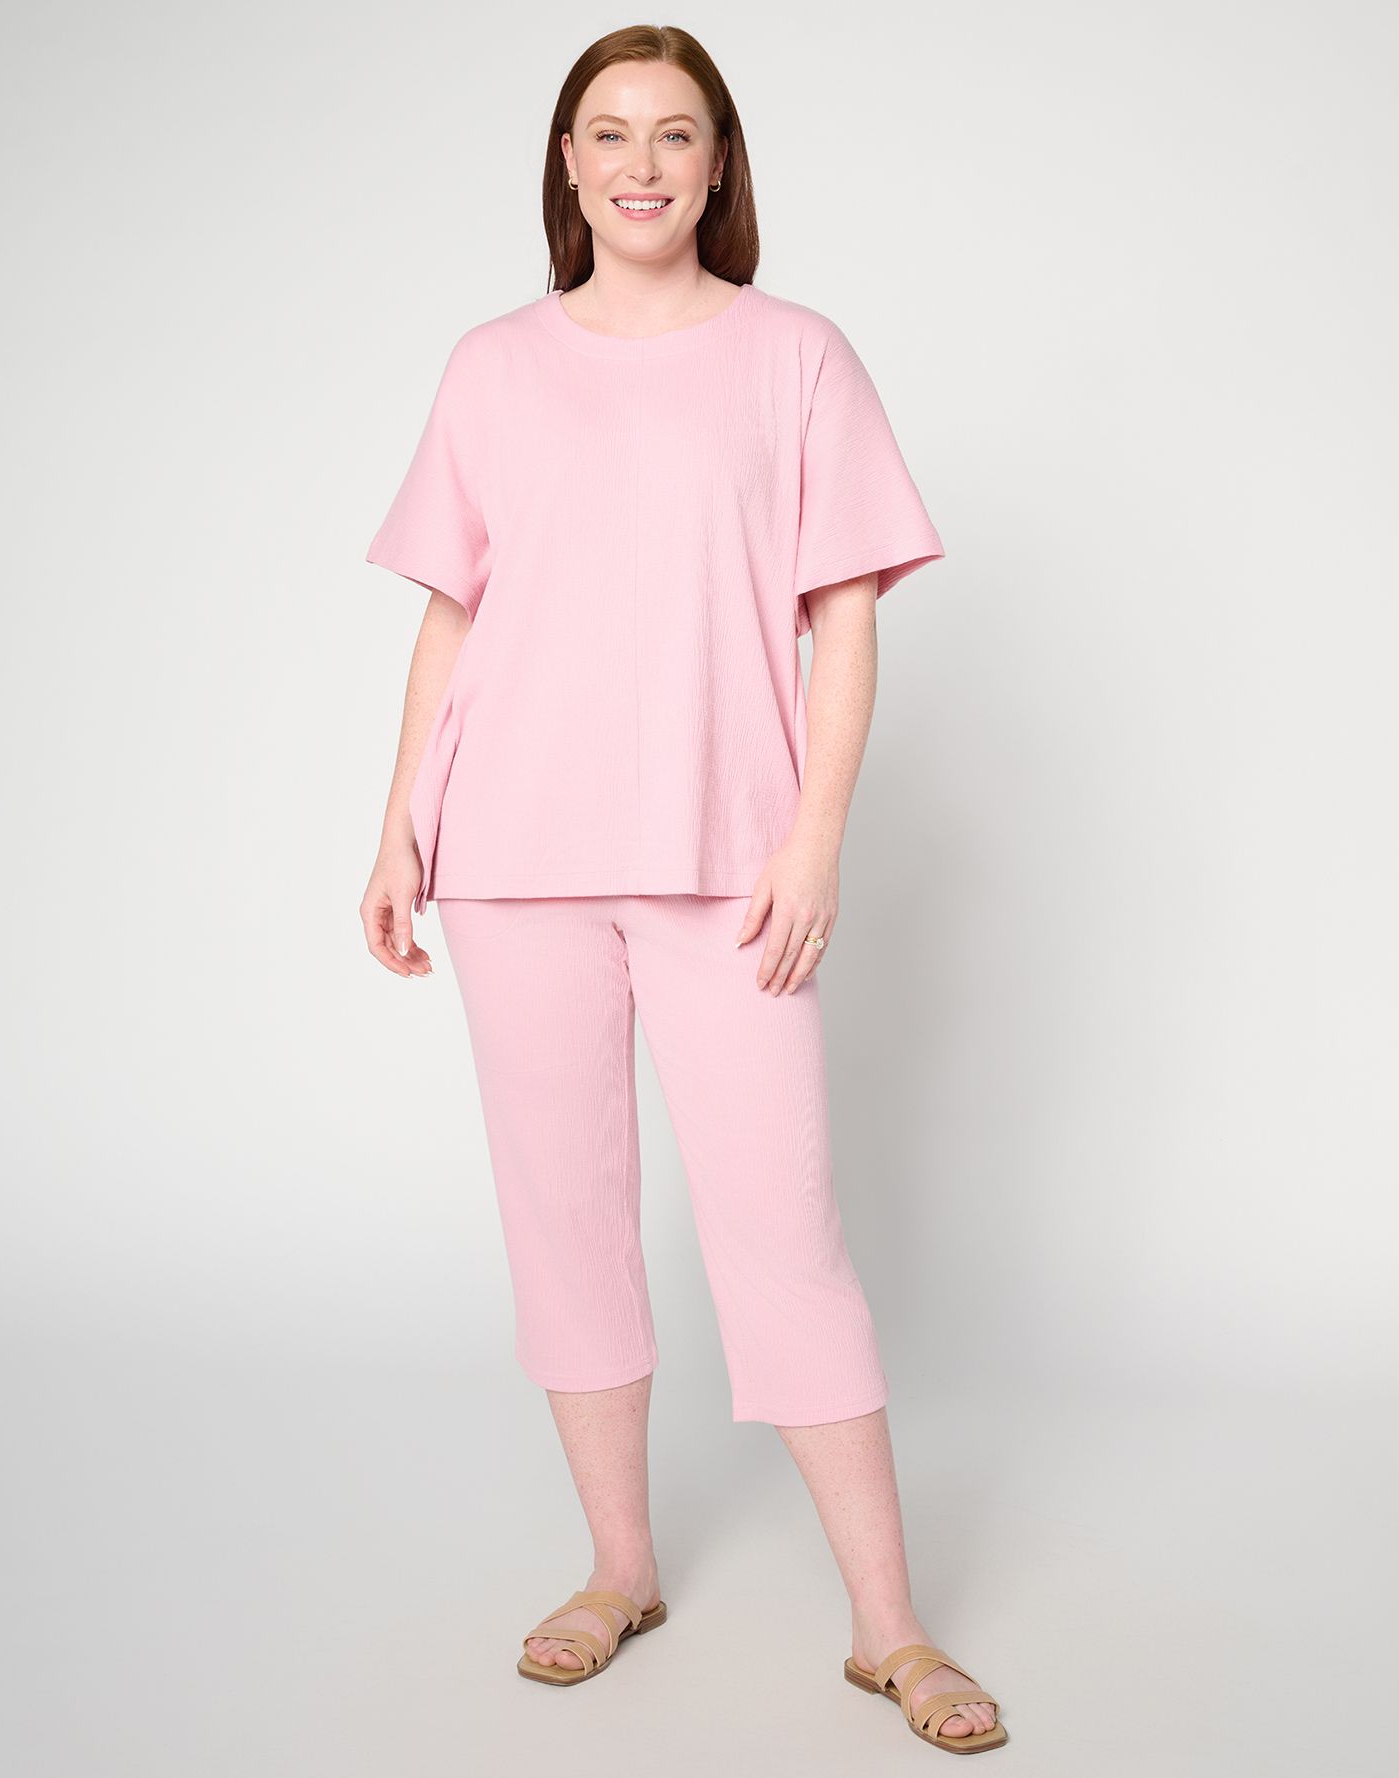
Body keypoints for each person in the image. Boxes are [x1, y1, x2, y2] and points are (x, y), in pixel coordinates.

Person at [359, 24, 1006, 1757]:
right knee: (563, 1214)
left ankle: (888, 1624)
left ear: (720, 164)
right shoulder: (494, 367)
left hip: (729, 860)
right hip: (511, 859)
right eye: (608, 133)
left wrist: (816, 834)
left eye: (674, 133)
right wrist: (399, 823)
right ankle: (620, 1567)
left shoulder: (797, 357)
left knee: (783, 1231)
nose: (639, 162)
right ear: (566, 165)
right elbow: (454, 614)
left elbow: (846, 615)